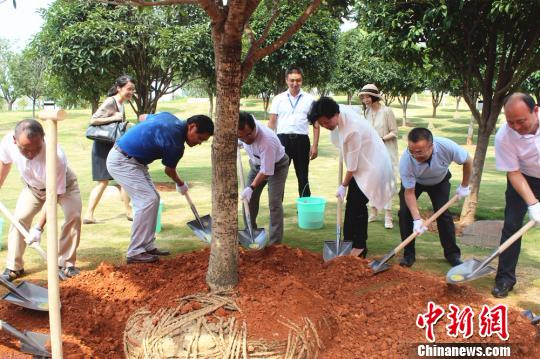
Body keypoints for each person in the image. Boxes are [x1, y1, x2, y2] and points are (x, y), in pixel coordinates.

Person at [107, 112, 213, 264]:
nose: (199, 142)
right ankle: (135, 251)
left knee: (154, 199)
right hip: (122, 161)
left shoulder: (168, 117)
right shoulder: (176, 143)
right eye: (200, 138)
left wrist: (141, 136)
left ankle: (147, 246)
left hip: (135, 161)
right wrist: (181, 183)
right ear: (192, 127)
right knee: (147, 200)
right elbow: (169, 171)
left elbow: (143, 117)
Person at [307, 97, 395, 257]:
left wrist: (343, 185)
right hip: (363, 163)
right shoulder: (338, 111)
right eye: (322, 124)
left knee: (357, 204)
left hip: (372, 166)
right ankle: (349, 242)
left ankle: (359, 246)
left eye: (327, 122)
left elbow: (352, 167)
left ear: (335, 114)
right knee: (353, 205)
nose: (326, 126)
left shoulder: (352, 130)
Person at [0, 119, 82, 280]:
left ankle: (66, 264)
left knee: (73, 216)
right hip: (33, 188)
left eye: (36, 148)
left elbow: (53, 195)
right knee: (19, 219)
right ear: (15, 141)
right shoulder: (7, 142)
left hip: (63, 186)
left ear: (43, 138)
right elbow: (4, 162)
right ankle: (14, 267)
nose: (30, 154)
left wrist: (38, 228)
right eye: (25, 149)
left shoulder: (56, 156)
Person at [398, 128, 472, 268]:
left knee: (443, 214)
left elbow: (468, 161)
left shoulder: (447, 147)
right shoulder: (406, 161)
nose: (415, 155)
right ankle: (408, 255)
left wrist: (464, 186)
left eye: (419, 151)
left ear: (431, 146)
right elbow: (409, 192)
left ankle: (452, 255)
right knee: (404, 213)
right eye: (411, 150)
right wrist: (417, 219)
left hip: (439, 181)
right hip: (416, 182)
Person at [492, 93, 540, 298]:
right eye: (511, 122)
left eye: (521, 121)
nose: (517, 127)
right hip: (524, 178)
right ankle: (504, 278)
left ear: (535, 111)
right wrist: (533, 204)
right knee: (512, 226)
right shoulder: (504, 136)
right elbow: (513, 172)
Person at [84, 75, 134, 224]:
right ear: (119, 88)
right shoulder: (110, 101)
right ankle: (88, 214)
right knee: (103, 182)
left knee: (123, 178)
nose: (131, 92)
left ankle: (128, 211)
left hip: (113, 145)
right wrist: (113, 118)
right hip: (102, 146)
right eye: (128, 89)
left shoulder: (122, 103)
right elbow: (93, 120)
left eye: (133, 89)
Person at [238, 111, 289, 245]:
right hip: (256, 165)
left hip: (277, 167)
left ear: (254, 126)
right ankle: (251, 233)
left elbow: (266, 171)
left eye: (249, 134)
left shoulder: (267, 140)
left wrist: (251, 187)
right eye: (241, 137)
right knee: (248, 201)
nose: (246, 139)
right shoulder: (242, 128)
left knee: (274, 203)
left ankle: (275, 244)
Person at [268, 66, 318, 197]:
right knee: (279, 176)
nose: (295, 83)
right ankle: (277, 207)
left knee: (303, 176)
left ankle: (305, 206)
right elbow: (272, 122)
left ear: (302, 81)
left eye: (298, 80)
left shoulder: (309, 99)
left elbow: (316, 124)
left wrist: (315, 145)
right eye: (292, 80)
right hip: (282, 141)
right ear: (286, 80)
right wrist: (268, 143)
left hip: (302, 141)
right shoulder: (278, 99)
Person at [360, 84, 399, 229]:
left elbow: (394, 132)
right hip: (372, 153)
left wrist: (381, 139)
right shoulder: (367, 112)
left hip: (387, 152)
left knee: (386, 183)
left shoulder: (387, 111)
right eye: (363, 97)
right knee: (373, 182)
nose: (365, 99)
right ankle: (374, 211)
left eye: (367, 96)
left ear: (374, 97)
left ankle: (388, 216)